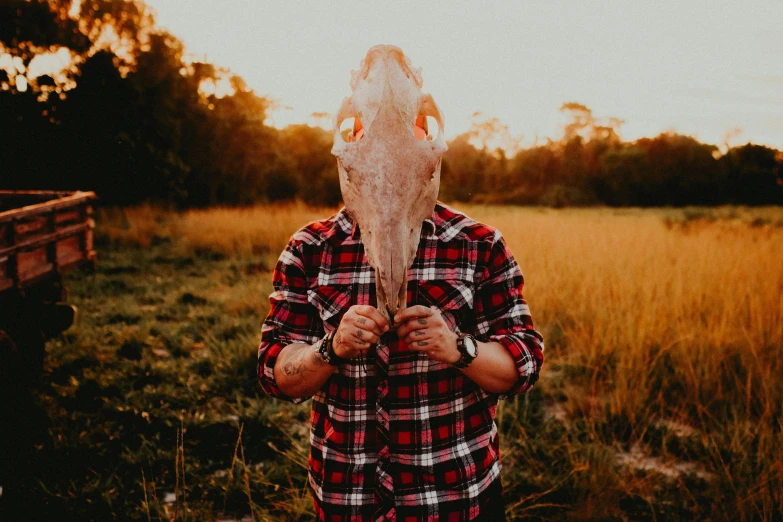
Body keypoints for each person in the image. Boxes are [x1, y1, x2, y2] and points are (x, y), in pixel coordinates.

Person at [257, 117, 544, 521]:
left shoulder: (477, 244)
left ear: (427, 151)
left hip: (455, 498)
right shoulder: (311, 248)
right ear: (350, 154)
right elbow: (275, 373)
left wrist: (458, 348)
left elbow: (524, 366)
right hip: (349, 501)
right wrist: (331, 348)